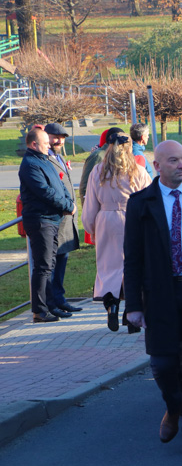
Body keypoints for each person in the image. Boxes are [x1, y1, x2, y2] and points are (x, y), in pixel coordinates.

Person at [124, 140, 182, 455]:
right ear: (157, 165)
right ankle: (175, 406)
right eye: (175, 160)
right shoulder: (141, 203)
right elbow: (132, 257)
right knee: (163, 364)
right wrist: (134, 305)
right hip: (160, 292)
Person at [82, 132, 151, 330]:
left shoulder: (98, 171)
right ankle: (132, 311)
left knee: (108, 268)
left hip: (106, 220)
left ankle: (112, 306)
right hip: (132, 220)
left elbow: (90, 202)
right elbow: (147, 199)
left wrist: (90, 226)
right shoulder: (138, 170)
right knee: (132, 266)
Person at [18, 128, 76, 323]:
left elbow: (60, 187)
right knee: (43, 267)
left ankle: (50, 306)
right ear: (34, 144)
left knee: (48, 265)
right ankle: (40, 311)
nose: (49, 145)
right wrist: (68, 206)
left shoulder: (44, 160)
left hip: (52, 219)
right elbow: (45, 192)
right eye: (45, 143)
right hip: (40, 220)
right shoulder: (30, 164)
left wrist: (69, 202)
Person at [43, 123, 82, 319]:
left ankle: (60, 299)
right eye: (54, 137)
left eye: (62, 137)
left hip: (66, 220)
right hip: (56, 218)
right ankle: (52, 303)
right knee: (51, 265)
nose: (58, 141)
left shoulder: (59, 156)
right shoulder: (45, 158)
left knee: (62, 262)